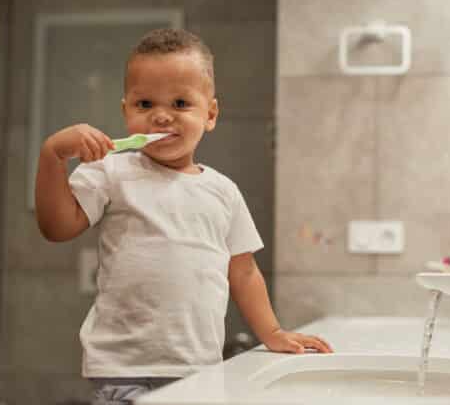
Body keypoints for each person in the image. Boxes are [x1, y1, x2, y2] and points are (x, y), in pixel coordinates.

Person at [35, 28, 333, 404]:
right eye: (145, 105)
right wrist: (52, 157)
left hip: (199, 368)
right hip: (123, 368)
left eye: (179, 104)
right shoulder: (111, 171)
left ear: (209, 114)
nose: (161, 117)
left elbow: (243, 271)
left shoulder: (223, 191)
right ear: (126, 111)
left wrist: (272, 332)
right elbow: (56, 227)